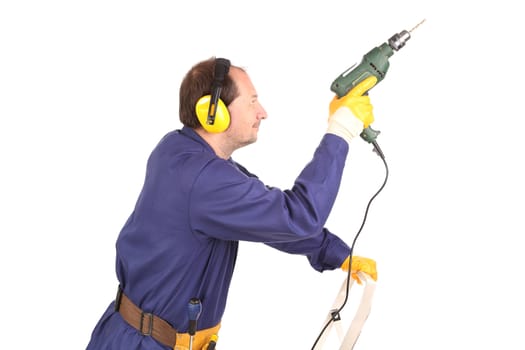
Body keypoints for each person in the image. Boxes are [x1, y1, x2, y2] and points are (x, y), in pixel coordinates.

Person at [86, 57, 378, 350]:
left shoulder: (180, 150)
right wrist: (341, 130)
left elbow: (263, 213)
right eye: (251, 101)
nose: (262, 113)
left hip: (133, 334)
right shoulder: (205, 179)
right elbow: (298, 216)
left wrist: (334, 253)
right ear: (212, 112)